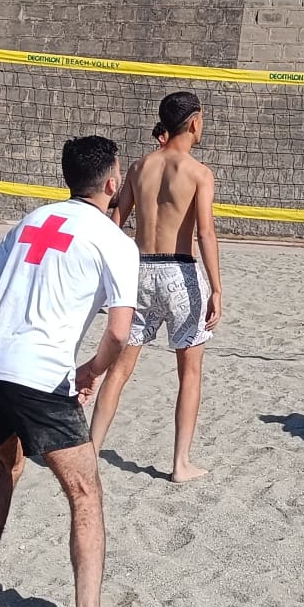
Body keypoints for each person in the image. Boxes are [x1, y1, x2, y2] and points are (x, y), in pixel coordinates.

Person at [0, 136, 140, 607]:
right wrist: (91, 371)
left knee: (6, 464)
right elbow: (120, 332)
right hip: (39, 375)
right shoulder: (114, 241)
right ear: (112, 183)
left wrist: (3, 339)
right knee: (84, 491)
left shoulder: (32, 220)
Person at [88, 91, 223, 482]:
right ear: (194, 122)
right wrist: (217, 288)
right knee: (190, 374)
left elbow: (115, 222)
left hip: (140, 270)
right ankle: (181, 463)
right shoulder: (199, 173)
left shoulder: (138, 167)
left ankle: (91, 451)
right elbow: (206, 234)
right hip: (180, 272)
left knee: (118, 370)